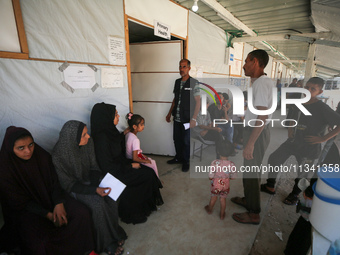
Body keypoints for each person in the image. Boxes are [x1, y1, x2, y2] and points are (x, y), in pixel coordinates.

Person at [0, 126, 96, 255]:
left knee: (81, 213)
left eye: (31, 144)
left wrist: (59, 203)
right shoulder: (5, 169)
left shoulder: (41, 156)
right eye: (21, 148)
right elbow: (17, 201)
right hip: (27, 210)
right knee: (41, 241)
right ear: (10, 149)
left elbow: (54, 182)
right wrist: (48, 215)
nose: (28, 151)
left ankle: (84, 250)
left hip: (51, 198)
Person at [261, 77, 340, 205]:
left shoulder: (322, 108)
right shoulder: (299, 102)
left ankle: (294, 195)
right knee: (274, 158)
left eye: (312, 89)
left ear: (319, 92)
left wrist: (323, 138)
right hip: (292, 142)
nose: (308, 90)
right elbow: (294, 116)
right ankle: (270, 185)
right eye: (307, 87)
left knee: (302, 173)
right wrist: (291, 128)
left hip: (309, 146)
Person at [52, 120, 127, 255]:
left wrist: (95, 187)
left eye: (87, 133)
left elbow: (94, 166)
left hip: (90, 182)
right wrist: (94, 192)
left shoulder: (88, 144)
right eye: (84, 135)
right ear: (72, 138)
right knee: (97, 204)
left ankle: (114, 232)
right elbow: (67, 184)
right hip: (74, 188)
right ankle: (106, 242)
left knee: (112, 196)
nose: (88, 137)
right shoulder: (58, 155)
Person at [90, 102, 163, 225]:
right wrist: (130, 165)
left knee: (148, 171)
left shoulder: (109, 132)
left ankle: (146, 206)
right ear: (107, 117)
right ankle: (134, 212)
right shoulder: (101, 139)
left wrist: (123, 134)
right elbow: (107, 166)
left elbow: (114, 143)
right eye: (116, 115)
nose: (118, 117)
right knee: (146, 175)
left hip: (120, 164)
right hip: (114, 172)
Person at [231, 49, 273, 225]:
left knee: (252, 172)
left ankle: (254, 212)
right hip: (256, 129)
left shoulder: (262, 84)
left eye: (247, 61)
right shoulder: (259, 82)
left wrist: (250, 144)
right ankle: (249, 200)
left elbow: (262, 115)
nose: (243, 65)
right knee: (249, 170)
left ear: (255, 62)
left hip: (258, 131)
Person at [166, 58, 201, 172]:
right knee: (177, 139)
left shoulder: (194, 83)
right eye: (180, 66)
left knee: (186, 141)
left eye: (184, 66)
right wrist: (169, 113)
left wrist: (194, 119)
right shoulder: (177, 82)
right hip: (177, 117)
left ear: (189, 68)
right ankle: (178, 158)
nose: (181, 69)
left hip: (187, 118)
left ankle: (186, 161)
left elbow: (198, 102)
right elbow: (175, 99)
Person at [204, 141, 236, 220]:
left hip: (215, 185)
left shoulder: (214, 163)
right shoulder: (232, 164)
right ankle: (222, 215)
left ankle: (209, 210)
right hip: (226, 185)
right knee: (223, 199)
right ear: (231, 152)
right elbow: (233, 177)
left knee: (213, 197)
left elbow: (210, 176)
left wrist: (212, 178)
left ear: (218, 151)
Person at [125, 112, 159, 177]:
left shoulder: (128, 134)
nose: (143, 126)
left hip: (128, 157)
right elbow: (135, 158)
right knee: (152, 163)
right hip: (132, 160)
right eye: (141, 124)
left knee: (150, 160)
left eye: (143, 124)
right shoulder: (135, 140)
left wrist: (143, 156)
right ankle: (157, 180)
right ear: (134, 126)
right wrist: (145, 161)